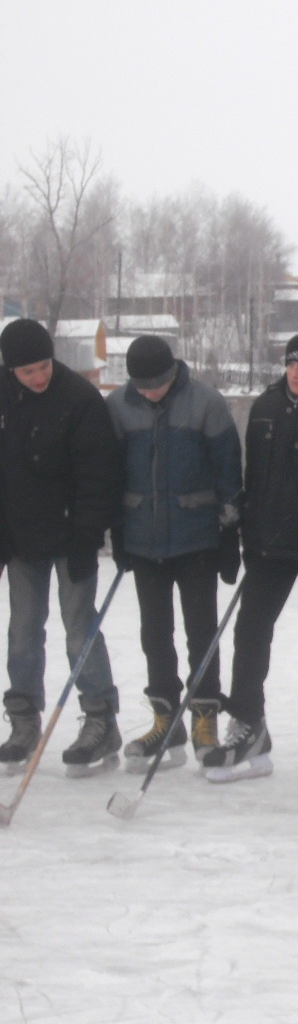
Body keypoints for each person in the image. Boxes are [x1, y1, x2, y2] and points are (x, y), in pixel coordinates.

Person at [207, 332, 298, 783]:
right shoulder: (266, 405)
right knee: (250, 633)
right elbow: (252, 473)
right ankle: (249, 724)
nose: (295, 373)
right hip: (268, 544)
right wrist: (241, 531)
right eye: (291, 364)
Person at [105, 335, 243, 773]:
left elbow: (228, 472)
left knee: (202, 631)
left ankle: (204, 719)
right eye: (142, 386)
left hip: (197, 539)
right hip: (143, 540)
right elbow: (110, 471)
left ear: (172, 372)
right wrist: (117, 529)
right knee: (154, 634)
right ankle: (166, 722)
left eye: (157, 384)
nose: (150, 393)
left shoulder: (205, 402)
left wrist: (229, 533)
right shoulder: (118, 407)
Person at [0, 319, 124, 777]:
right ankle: (24, 718)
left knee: (79, 629)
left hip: (71, 536)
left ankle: (99, 718)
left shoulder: (79, 399)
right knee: (23, 632)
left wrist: (87, 536)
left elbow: (99, 477)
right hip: (20, 538)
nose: (39, 377)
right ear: (10, 369)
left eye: (45, 366)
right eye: (28, 370)